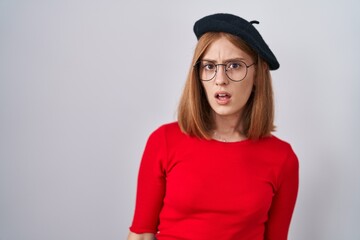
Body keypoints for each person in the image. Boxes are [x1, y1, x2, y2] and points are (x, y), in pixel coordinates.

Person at [127, 13, 299, 240]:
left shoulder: (282, 158)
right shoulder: (164, 141)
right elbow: (141, 235)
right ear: (198, 75)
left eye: (234, 66)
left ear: (258, 73)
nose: (220, 79)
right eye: (209, 67)